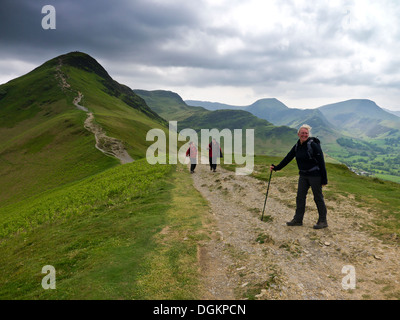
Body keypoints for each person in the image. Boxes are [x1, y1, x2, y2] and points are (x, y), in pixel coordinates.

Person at [270, 124, 328, 229]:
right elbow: (288, 158)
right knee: (300, 197)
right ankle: (298, 219)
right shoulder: (297, 146)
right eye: (302, 133)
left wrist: (324, 179)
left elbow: (321, 162)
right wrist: (276, 168)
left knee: (318, 198)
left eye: (306, 133)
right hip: (303, 176)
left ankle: (323, 221)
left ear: (308, 134)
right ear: (298, 134)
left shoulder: (313, 145)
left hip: (315, 176)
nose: (304, 135)